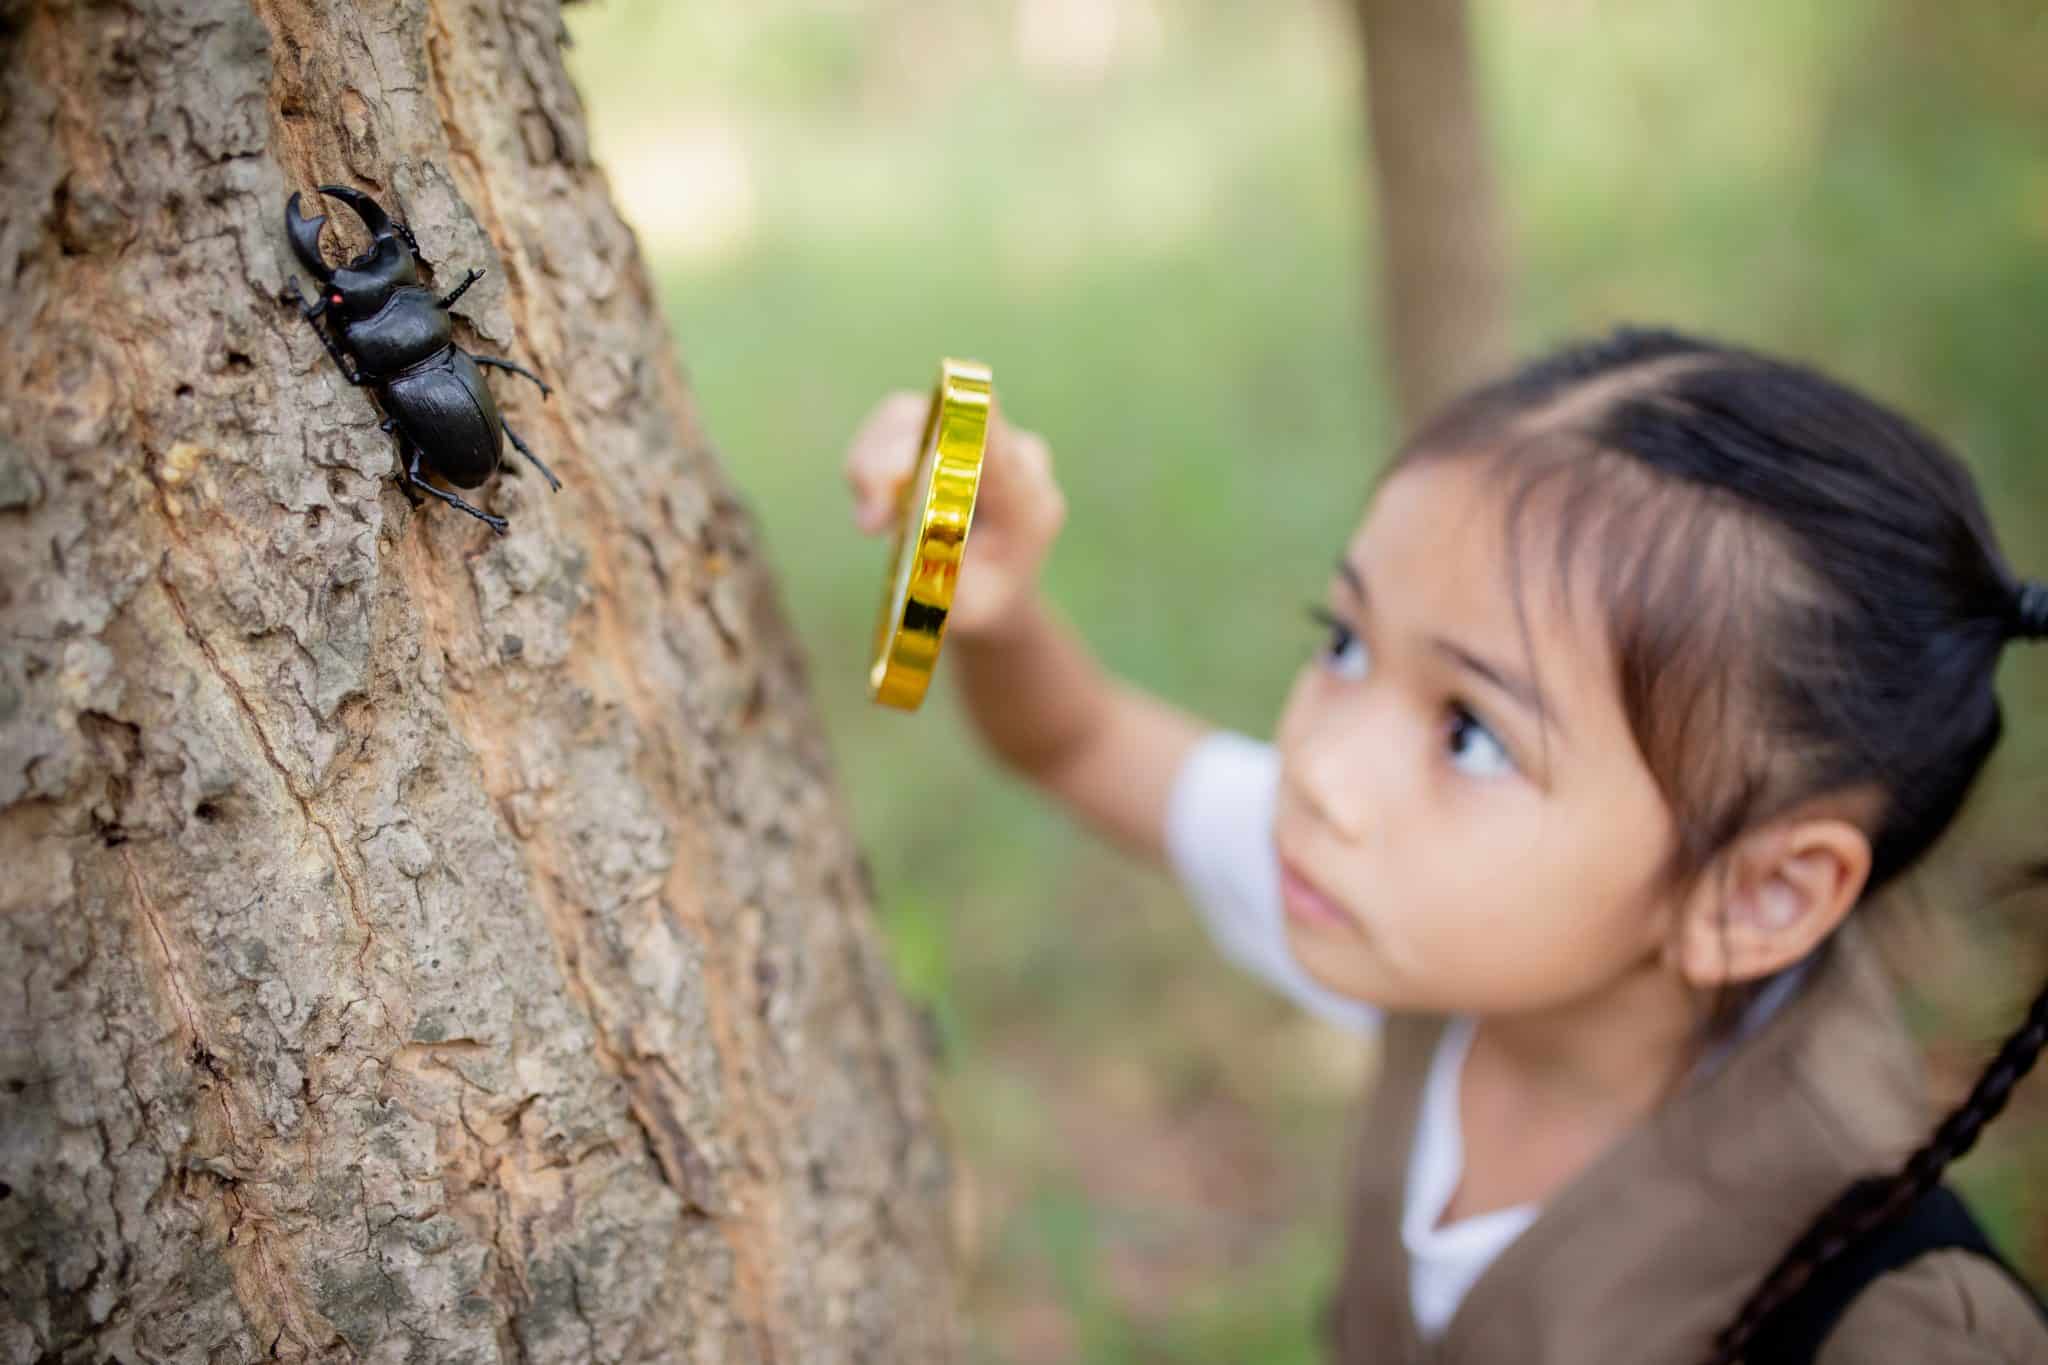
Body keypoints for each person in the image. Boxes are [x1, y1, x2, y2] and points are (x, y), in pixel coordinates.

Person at [843, 327, 2048, 1362]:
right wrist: (976, 591)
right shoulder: (1440, 934)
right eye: (1344, 643)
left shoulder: (1886, 1319)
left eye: (1470, 735)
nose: (1317, 771)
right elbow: (1079, 743)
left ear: (1759, 896)